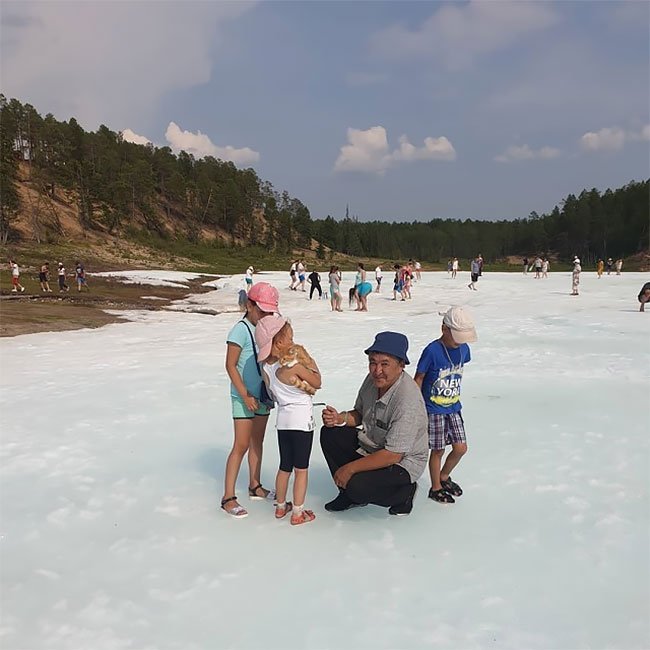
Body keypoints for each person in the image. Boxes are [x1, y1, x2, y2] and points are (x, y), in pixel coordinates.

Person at [320, 332, 428, 516]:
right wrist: (340, 418)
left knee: (358, 487)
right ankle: (348, 494)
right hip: (373, 445)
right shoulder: (372, 380)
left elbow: (393, 455)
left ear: (401, 365)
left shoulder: (407, 400)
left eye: (385, 363)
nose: (377, 370)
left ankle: (404, 493)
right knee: (330, 433)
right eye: (373, 362)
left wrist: (349, 469)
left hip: (402, 462)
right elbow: (360, 415)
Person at [221, 282, 280, 518]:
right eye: (262, 310)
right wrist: (245, 395)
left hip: (261, 396)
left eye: (269, 311)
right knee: (241, 445)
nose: (265, 315)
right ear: (250, 305)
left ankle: (255, 485)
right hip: (243, 397)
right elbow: (230, 365)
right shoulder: (240, 330)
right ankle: (228, 497)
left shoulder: (264, 330)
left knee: (258, 442)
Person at [256, 316, 321, 525]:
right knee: (301, 469)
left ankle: (281, 507)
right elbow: (318, 382)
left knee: (285, 466)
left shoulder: (266, 368)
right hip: (302, 421)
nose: (293, 342)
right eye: (290, 338)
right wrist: (310, 362)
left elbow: (272, 393)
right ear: (279, 342)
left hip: (282, 421)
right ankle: (298, 513)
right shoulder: (293, 367)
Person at [414, 307, 477, 504]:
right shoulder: (432, 351)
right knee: (438, 450)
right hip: (433, 410)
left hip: (453, 407)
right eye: (457, 336)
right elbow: (419, 377)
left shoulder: (464, 349)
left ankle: (443, 476)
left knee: (461, 448)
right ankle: (436, 487)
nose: (460, 341)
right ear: (444, 329)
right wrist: (416, 406)